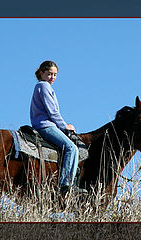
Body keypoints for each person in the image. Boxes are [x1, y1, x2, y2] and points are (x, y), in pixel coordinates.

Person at [30, 60, 87, 196]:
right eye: (49, 74)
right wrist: (65, 127)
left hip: (44, 124)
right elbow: (53, 112)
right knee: (71, 148)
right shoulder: (44, 86)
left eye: (55, 75)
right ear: (41, 73)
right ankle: (65, 185)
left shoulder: (41, 87)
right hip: (46, 125)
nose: (52, 78)